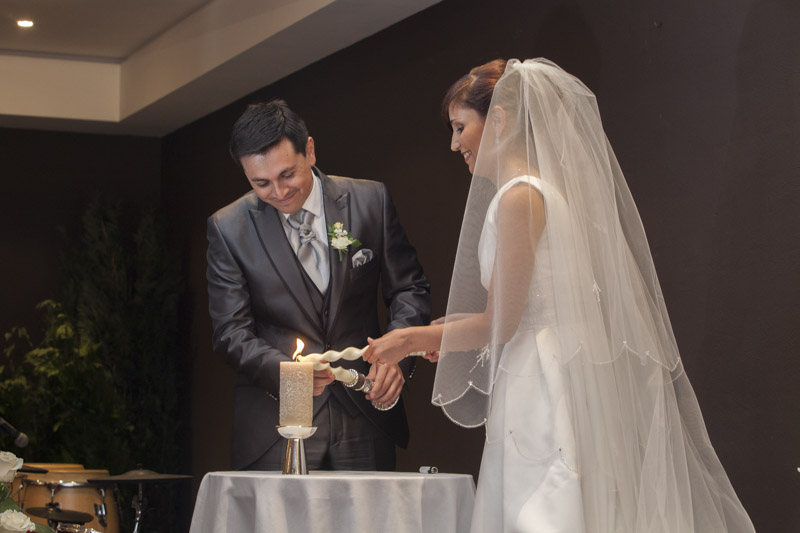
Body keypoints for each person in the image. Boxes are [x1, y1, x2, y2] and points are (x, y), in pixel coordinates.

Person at [364, 59, 755, 532]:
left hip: (539, 378)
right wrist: (448, 331)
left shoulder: (518, 197)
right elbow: (529, 306)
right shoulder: (538, 192)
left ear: (499, 120)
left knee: (540, 508)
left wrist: (409, 339)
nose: (454, 144)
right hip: (546, 363)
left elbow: (502, 322)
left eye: (460, 127)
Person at [207, 99, 431, 471]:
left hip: (365, 411)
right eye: (261, 183)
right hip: (275, 423)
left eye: (287, 175)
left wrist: (399, 353)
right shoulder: (228, 228)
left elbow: (409, 288)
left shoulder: (370, 200)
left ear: (309, 151)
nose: (278, 191)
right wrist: (288, 374)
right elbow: (230, 332)